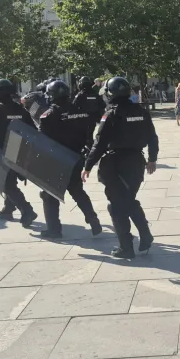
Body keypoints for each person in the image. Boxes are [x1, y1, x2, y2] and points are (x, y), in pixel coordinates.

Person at [82, 77, 159, 259]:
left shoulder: (111, 114)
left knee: (116, 206)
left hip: (116, 164)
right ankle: (145, 234)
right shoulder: (141, 111)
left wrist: (88, 165)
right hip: (136, 162)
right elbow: (152, 136)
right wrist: (152, 159)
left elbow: (100, 143)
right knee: (128, 199)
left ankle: (126, 247)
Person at [38, 80, 103, 239]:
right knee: (77, 190)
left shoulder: (48, 115)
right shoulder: (80, 112)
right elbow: (88, 134)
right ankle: (92, 219)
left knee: (49, 194)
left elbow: (41, 140)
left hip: (56, 160)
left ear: (51, 95)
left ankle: (54, 230)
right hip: (76, 157)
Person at [0, 79, 38, 227]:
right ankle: (8, 208)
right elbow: (33, 131)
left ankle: (27, 210)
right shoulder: (22, 110)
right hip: (20, 151)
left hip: (3, 152)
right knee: (10, 180)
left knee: (7, 184)